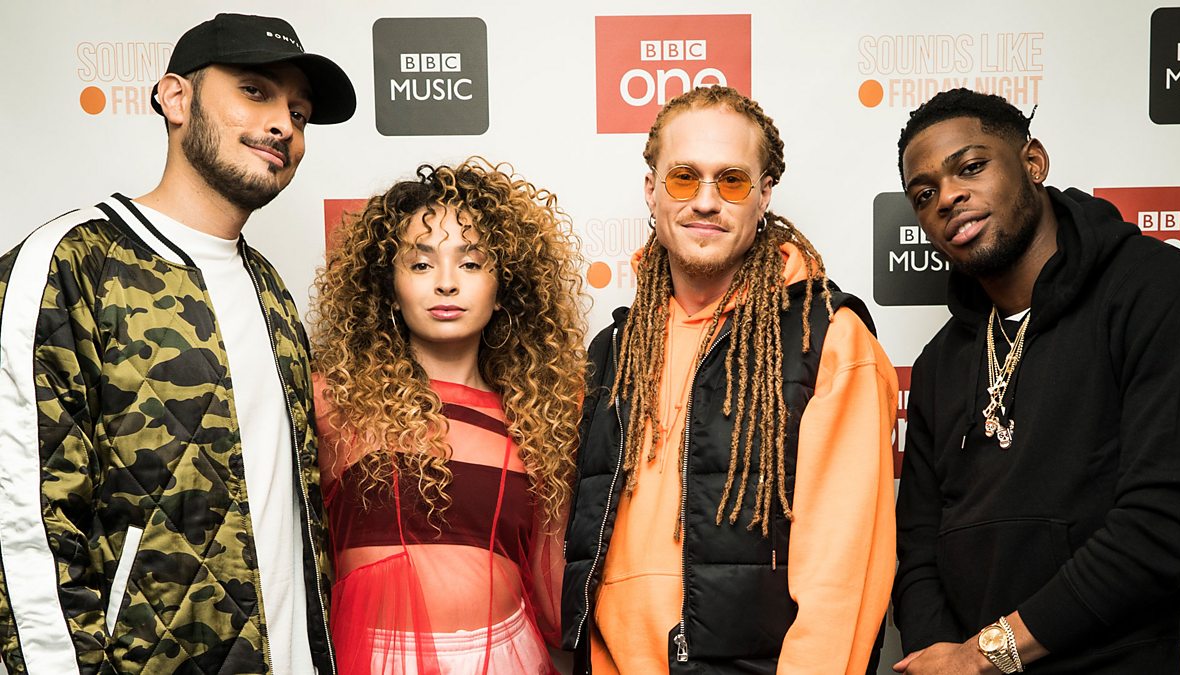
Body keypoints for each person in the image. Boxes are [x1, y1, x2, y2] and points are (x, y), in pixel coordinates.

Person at [0, 13, 355, 674]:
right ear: (175, 98)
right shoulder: (69, 265)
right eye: (255, 91)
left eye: (299, 113)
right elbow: (21, 529)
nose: (284, 125)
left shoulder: (272, 291)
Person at [562, 85, 898, 673]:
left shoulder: (827, 339)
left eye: (733, 181)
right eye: (684, 178)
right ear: (651, 190)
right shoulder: (615, 349)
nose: (706, 201)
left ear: (764, 195)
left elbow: (843, 578)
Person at [892, 88, 1180, 674]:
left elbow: (1160, 526)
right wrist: (944, 660)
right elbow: (918, 549)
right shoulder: (940, 362)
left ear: (1033, 163)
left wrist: (987, 654)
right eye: (924, 194)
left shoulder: (1155, 290)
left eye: (971, 167)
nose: (947, 197)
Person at [310, 159, 587, 674]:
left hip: (507, 659)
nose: (445, 284)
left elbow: (554, 596)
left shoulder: (541, 422)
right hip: (369, 659)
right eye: (420, 265)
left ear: (504, 288)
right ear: (388, 288)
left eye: (471, 264)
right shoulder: (332, 402)